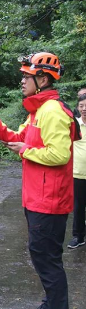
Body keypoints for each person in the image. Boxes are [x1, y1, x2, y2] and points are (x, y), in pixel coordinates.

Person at [0, 52, 76, 309]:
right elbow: (19, 138)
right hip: (37, 198)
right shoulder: (37, 110)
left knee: (47, 260)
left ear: (43, 78)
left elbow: (59, 154)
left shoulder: (54, 111)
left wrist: (26, 151)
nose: (22, 81)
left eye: (27, 76)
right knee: (44, 257)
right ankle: (50, 307)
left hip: (49, 201)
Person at [68, 94, 86, 249]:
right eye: (81, 106)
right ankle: (78, 236)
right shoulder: (74, 124)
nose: (84, 109)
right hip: (78, 173)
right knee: (78, 207)